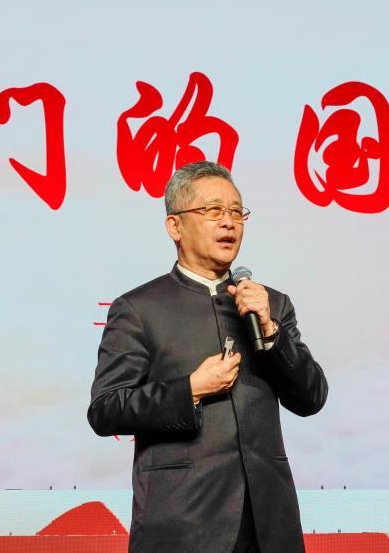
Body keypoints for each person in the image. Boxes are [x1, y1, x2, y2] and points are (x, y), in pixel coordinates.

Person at [87, 160, 328, 553]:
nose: (228, 222)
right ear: (175, 226)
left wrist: (272, 333)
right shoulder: (139, 309)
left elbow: (312, 397)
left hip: (268, 525)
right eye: (213, 210)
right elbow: (105, 409)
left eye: (236, 211)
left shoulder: (271, 304)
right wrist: (190, 391)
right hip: (183, 524)